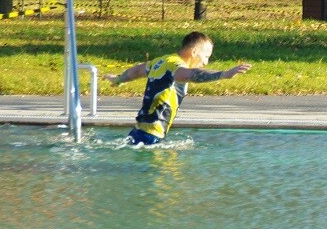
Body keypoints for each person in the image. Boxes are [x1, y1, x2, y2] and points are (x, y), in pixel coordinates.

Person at [105, 31, 252, 145]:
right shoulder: (176, 66)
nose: (206, 62)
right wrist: (224, 74)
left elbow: (136, 71)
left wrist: (118, 79)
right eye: (206, 56)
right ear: (194, 52)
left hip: (137, 132)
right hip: (151, 137)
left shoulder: (162, 61)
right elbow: (189, 75)